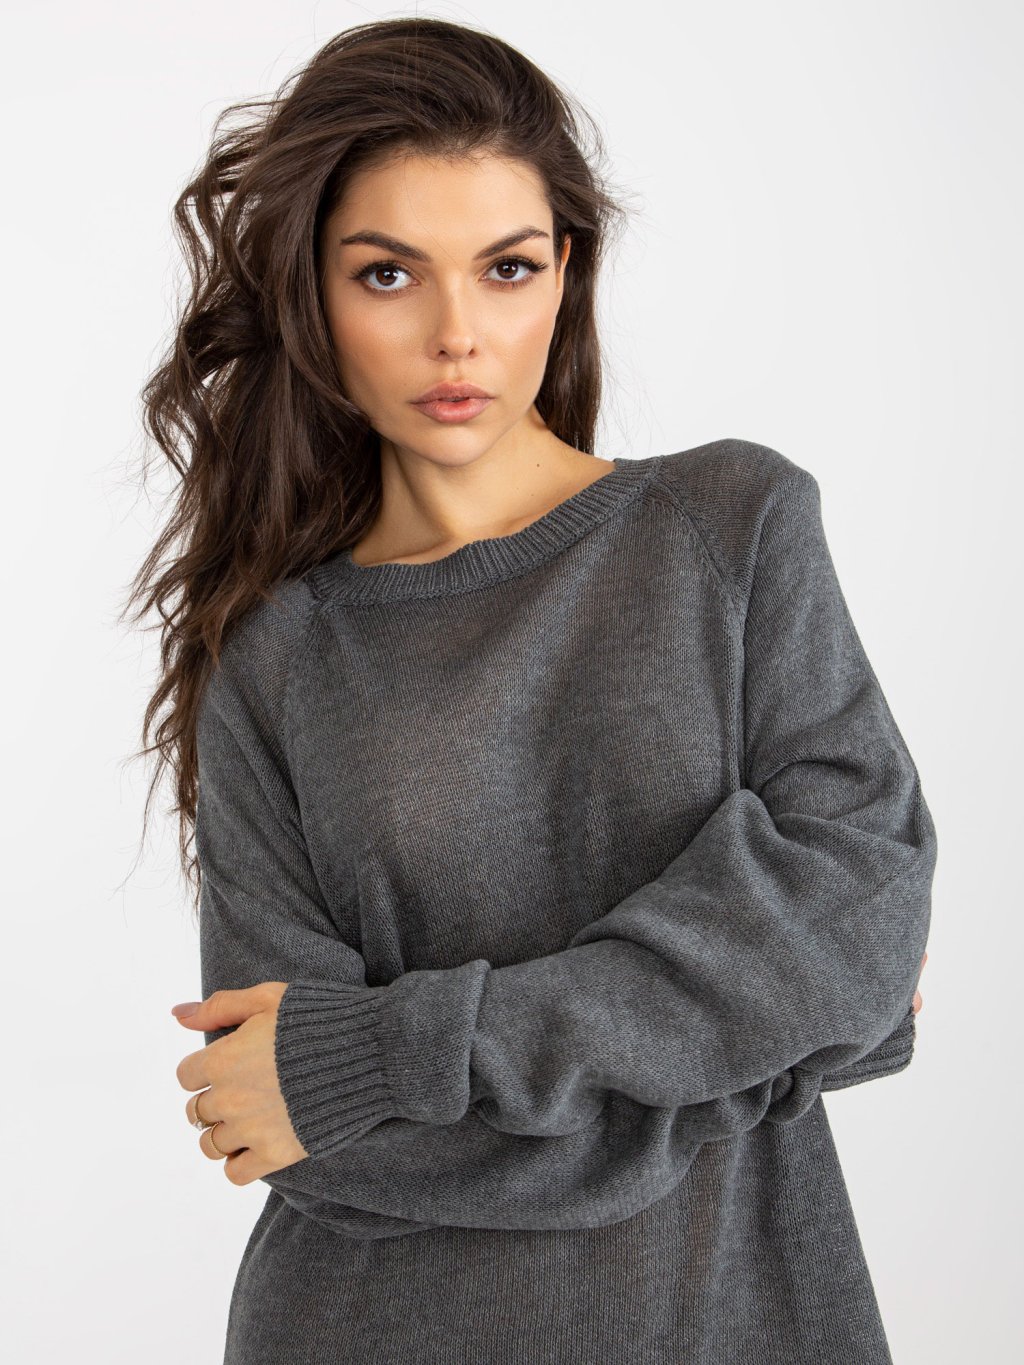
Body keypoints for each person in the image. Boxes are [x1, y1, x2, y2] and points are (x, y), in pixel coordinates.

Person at [129, 16, 934, 1364]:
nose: (457, 334)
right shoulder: (273, 657)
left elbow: (859, 915)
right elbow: (306, 1138)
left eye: (506, 268)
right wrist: (775, 1047)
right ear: (312, 298)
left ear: (566, 274)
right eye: (388, 274)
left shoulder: (729, 529)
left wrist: (391, 1056)